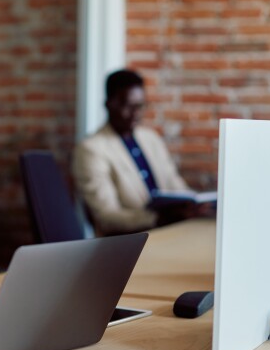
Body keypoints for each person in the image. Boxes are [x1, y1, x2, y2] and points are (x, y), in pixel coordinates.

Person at [73, 69, 206, 235]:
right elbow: (106, 217)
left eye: (140, 106)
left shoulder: (151, 139)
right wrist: (158, 219)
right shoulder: (91, 149)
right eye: (129, 105)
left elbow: (175, 185)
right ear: (108, 104)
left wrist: (195, 204)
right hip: (128, 243)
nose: (136, 113)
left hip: (170, 233)